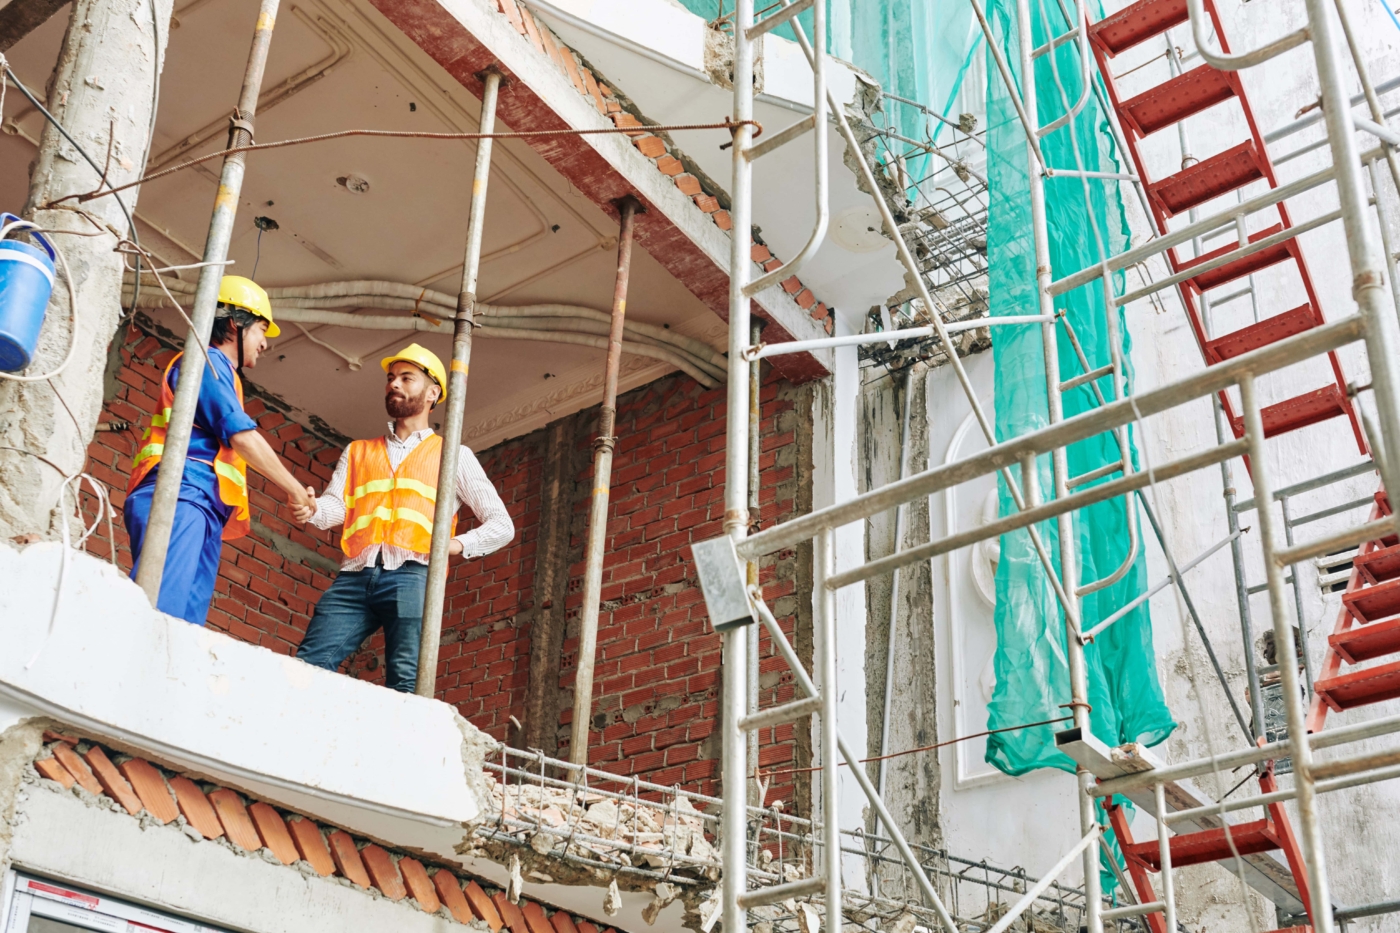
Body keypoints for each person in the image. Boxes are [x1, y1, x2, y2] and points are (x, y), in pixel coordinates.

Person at [292, 343, 514, 692]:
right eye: (391, 378)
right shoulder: (358, 451)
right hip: (354, 577)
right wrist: (313, 508)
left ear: (432, 393)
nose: (394, 384)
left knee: (405, 682)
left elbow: (502, 525)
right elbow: (336, 507)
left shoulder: (453, 454)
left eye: (406, 378)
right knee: (308, 665)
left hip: (413, 576)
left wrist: (453, 545)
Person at [125, 275, 315, 625]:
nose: (265, 343)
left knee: (183, 627)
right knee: (158, 611)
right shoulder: (206, 362)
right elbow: (242, 436)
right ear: (234, 324)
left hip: (203, 502)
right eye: (260, 329)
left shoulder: (219, 370)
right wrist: (294, 490)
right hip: (181, 492)